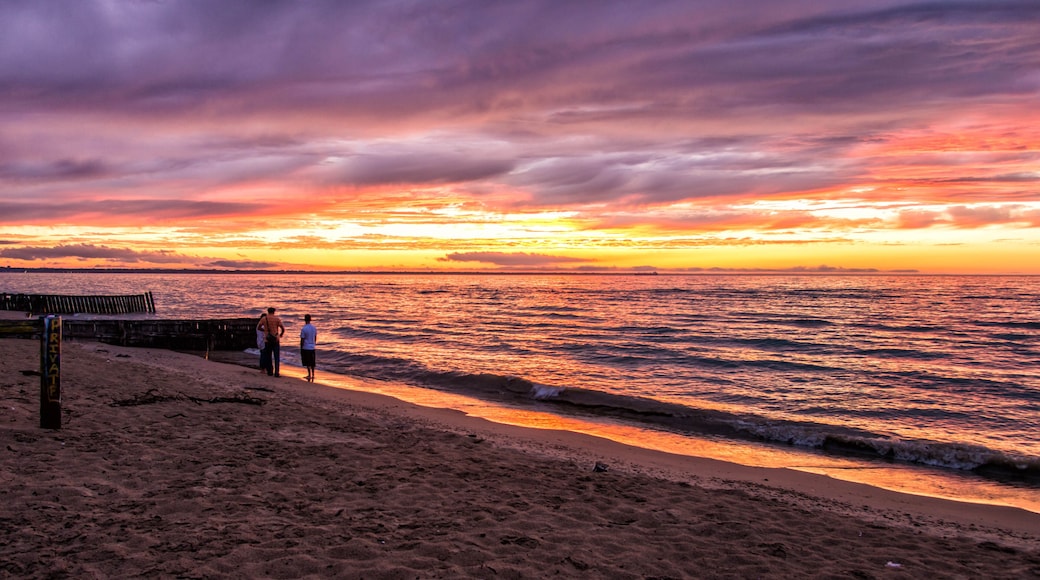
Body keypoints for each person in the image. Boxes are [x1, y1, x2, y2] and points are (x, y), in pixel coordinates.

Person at [258, 307, 285, 377]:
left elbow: (259, 327)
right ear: (274, 312)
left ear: (268, 311)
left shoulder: (264, 318)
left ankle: (270, 371)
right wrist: (281, 335)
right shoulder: (277, 319)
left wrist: (265, 331)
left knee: (268, 356)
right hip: (276, 339)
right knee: (276, 357)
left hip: (268, 339)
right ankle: (276, 372)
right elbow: (282, 328)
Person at [299, 314, 317, 382]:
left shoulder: (304, 328)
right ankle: (313, 374)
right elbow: (315, 337)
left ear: (305, 319)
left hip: (306, 347)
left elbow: (302, 339)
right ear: (310, 319)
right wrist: (314, 343)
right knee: (312, 361)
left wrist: (301, 346)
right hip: (312, 346)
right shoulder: (314, 328)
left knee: (307, 362)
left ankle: (309, 374)